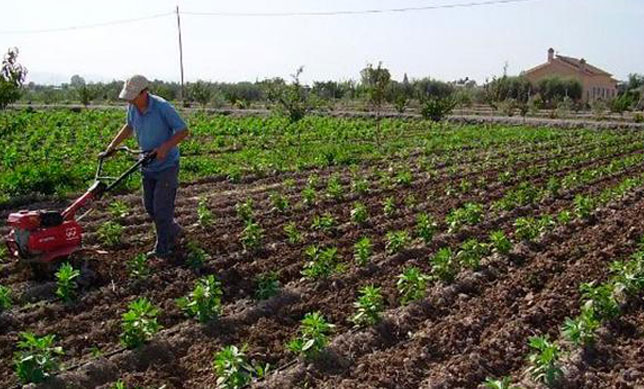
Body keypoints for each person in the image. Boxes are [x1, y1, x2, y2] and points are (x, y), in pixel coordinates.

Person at [102, 75, 189, 258]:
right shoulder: (133, 108)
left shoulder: (162, 107)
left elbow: (183, 130)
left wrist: (165, 147)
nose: (130, 100)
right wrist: (112, 147)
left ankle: (163, 247)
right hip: (147, 163)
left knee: (161, 208)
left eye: (133, 96)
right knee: (149, 206)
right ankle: (173, 229)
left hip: (167, 165)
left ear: (145, 92)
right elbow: (128, 127)